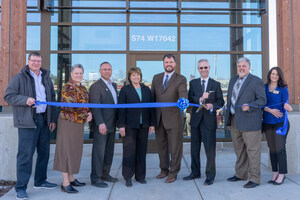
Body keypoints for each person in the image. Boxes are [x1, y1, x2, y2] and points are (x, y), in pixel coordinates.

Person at [4, 52, 57, 200]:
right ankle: (20, 188)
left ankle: (40, 181)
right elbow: (8, 96)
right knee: (25, 156)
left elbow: (52, 97)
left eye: (38, 61)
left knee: (44, 153)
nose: (36, 63)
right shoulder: (19, 78)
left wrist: (52, 119)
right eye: (33, 60)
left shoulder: (46, 78)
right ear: (28, 61)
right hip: (28, 122)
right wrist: (25, 99)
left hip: (44, 121)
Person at [225, 57, 267, 188]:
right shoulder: (233, 80)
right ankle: (240, 174)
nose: (241, 68)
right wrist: (227, 120)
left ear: (249, 67)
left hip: (250, 122)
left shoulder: (256, 81)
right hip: (234, 120)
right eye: (239, 66)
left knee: (253, 151)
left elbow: (262, 100)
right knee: (239, 150)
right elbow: (230, 101)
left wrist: (250, 106)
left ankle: (254, 178)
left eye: (244, 66)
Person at [183, 59, 224, 185]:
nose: (203, 70)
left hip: (209, 121)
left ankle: (210, 175)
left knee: (209, 150)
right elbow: (189, 99)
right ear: (198, 69)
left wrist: (212, 105)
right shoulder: (193, 83)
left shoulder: (215, 84)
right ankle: (195, 172)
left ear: (209, 68)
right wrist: (200, 99)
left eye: (205, 67)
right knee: (194, 149)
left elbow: (221, 101)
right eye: (201, 68)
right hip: (195, 121)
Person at [53, 64, 92, 193]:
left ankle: (71, 178)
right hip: (68, 122)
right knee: (66, 150)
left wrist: (89, 112)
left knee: (74, 150)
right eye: (76, 73)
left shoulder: (83, 87)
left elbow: (86, 104)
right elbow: (71, 106)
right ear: (71, 74)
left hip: (79, 123)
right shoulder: (67, 87)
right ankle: (65, 183)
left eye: (80, 73)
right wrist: (85, 115)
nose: (78, 75)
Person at [151, 54, 188, 183]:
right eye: (166, 62)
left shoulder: (180, 79)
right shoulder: (156, 78)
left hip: (173, 119)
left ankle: (173, 172)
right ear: (163, 64)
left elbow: (183, 92)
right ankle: (164, 170)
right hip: (158, 119)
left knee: (175, 148)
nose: (169, 64)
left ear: (175, 64)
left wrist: (183, 100)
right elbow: (152, 98)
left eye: (171, 62)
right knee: (161, 147)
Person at [118, 67, 156, 187]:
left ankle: (140, 176)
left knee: (141, 151)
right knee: (129, 152)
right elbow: (121, 109)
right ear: (129, 77)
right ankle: (128, 177)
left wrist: (152, 124)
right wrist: (121, 125)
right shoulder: (125, 90)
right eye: (133, 75)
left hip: (144, 125)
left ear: (141, 76)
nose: (136, 77)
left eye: (138, 75)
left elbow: (151, 108)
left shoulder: (146, 89)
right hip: (129, 126)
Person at [89, 62, 118, 188]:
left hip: (112, 125)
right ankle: (95, 178)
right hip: (102, 125)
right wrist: (100, 123)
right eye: (104, 69)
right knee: (99, 153)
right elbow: (95, 107)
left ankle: (105, 174)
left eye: (109, 69)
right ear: (100, 71)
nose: (107, 71)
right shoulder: (96, 86)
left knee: (108, 152)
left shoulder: (114, 85)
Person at [262, 67, 293, 185]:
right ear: (269, 75)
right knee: (272, 148)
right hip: (267, 122)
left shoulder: (283, 88)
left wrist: (288, 107)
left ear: (279, 76)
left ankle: (282, 174)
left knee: (280, 148)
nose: (274, 76)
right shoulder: (264, 88)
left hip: (280, 123)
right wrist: (270, 110)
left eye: (276, 74)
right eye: (272, 73)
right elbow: (261, 104)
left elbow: (286, 102)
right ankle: (274, 172)